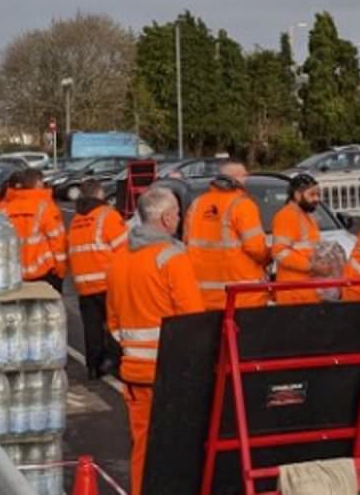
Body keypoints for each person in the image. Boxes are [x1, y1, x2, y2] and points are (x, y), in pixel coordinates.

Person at [106, 186, 204, 495]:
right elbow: (193, 322)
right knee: (181, 451)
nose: (178, 218)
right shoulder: (173, 258)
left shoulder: (119, 260)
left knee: (143, 449)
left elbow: (114, 325)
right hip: (171, 373)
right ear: (165, 218)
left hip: (134, 374)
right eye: (176, 213)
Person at [185, 160, 269, 309]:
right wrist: (268, 257)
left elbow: (187, 242)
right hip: (241, 297)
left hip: (204, 297)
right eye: (244, 176)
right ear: (235, 178)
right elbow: (255, 248)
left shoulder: (197, 204)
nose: (247, 180)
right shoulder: (243, 205)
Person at [66, 179, 127, 379]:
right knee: (115, 325)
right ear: (100, 194)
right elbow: (124, 249)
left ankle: (93, 367)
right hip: (108, 281)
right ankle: (113, 362)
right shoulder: (108, 216)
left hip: (84, 284)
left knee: (91, 327)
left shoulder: (76, 220)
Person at [3, 168, 67, 292]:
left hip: (15, 274)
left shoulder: (5, 209)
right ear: (38, 183)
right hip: (44, 273)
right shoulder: (46, 208)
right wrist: (61, 270)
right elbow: (57, 242)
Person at [270, 174, 329, 304]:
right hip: (294, 293)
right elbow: (279, 252)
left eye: (318, 194)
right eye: (312, 194)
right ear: (297, 195)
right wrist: (312, 266)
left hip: (306, 291)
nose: (317, 199)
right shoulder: (286, 216)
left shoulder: (307, 217)